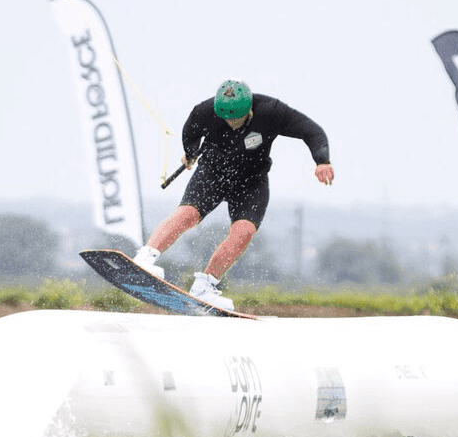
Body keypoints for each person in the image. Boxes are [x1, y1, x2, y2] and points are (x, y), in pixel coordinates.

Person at [133, 79, 333, 311]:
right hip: (213, 172)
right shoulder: (205, 111)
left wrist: (322, 161)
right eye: (225, 117)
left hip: (251, 180)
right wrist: (190, 153)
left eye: (235, 117)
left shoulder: (271, 111)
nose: (230, 122)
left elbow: (312, 131)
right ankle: (146, 258)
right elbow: (191, 131)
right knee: (188, 214)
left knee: (244, 230)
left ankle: (205, 286)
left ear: (249, 109)